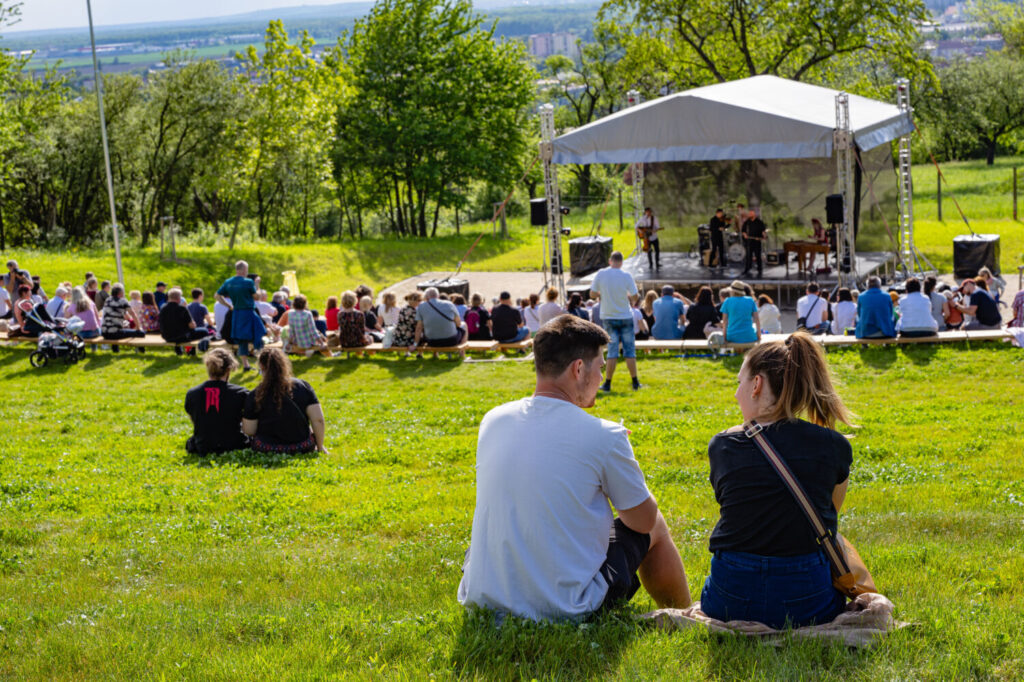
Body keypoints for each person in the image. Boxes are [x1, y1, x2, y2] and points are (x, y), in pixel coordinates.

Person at [457, 315, 691, 621]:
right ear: (579, 369)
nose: (602, 374)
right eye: (601, 364)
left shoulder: (493, 419)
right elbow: (642, 521)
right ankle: (684, 614)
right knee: (656, 522)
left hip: (483, 597)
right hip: (566, 606)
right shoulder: (603, 436)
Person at [700, 332, 853, 629]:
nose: (736, 393)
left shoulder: (722, 446)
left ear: (756, 384)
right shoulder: (833, 445)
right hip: (808, 600)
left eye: (739, 382)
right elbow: (830, 516)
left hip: (730, 597)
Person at [242, 348, 327, 454]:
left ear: (261, 367)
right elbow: (318, 420)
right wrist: (319, 447)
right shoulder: (303, 387)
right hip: (301, 446)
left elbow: (249, 430)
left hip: (267, 448)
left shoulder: (255, 394)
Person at [591, 252, 641, 391]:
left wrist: (602, 293)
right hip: (625, 315)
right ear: (622, 262)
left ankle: (607, 383)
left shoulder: (601, 274)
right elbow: (636, 296)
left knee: (612, 351)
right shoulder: (626, 276)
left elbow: (592, 294)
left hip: (608, 315)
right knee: (630, 350)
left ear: (610, 261)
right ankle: (635, 382)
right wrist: (629, 298)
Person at [184, 349, 249, 455]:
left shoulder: (192, 394)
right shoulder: (241, 394)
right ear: (229, 370)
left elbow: (195, 421)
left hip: (203, 446)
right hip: (234, 445)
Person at [216, 261, 266, 371]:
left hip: (237, 313)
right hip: (248, 313)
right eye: (246, 269)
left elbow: (217, 295)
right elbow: (257, 297)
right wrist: (257, 284)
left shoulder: (228, 282)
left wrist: (229, 306)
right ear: (243, 270)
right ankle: (261, 366)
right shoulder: (248, 282)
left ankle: (246, 365)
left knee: (242, 340)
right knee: (259, 335)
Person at [159, 288, 212, 353]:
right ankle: (194, 351)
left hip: (166, 336)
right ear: (179, 298)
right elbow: (192, 325)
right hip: (182, 337)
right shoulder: (182, 309)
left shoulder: (162, 309)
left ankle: (179, 350)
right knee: (204, 331)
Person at [720, 280, 760, 344]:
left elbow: (725, 321)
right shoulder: (750, 300)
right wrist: (759, 336)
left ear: (732, 291)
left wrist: (724, 338)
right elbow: (757, 320)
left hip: (732, 336)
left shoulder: (727, 301)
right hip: (749, 336)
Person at [741, 209, 767, 278]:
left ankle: (759, 269)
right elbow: (743, 230)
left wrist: (764, 236)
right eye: (749, 213)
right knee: (748, 256)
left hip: (757, 241)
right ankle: (747, 269)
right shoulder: (747, 222)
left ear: (754, 214)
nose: (750, 215)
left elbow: (763, 231)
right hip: (749, 241)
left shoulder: (759, 222)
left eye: (751, 213)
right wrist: (745, 235)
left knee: (758, 255)